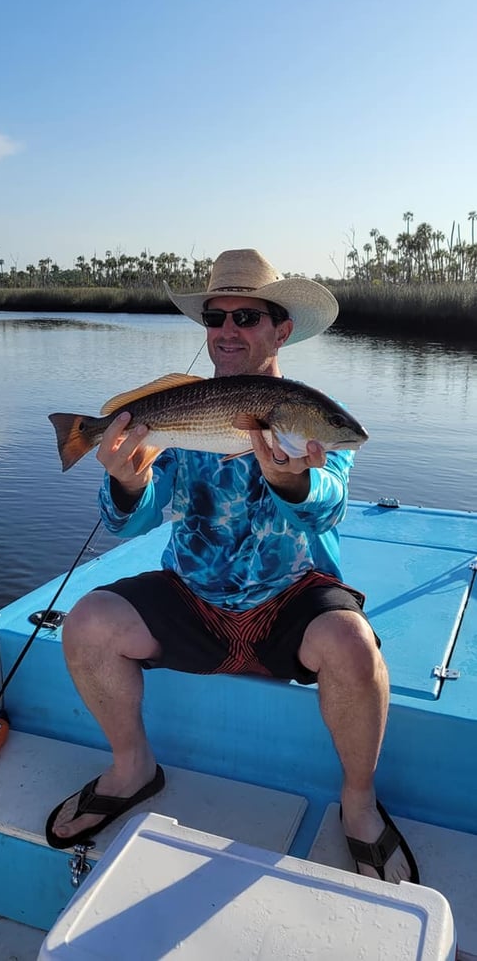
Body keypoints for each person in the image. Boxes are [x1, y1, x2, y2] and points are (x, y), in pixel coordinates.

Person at [45, 248, 419, 885]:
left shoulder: (310, 412)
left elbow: (328, 507)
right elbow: (130, 520)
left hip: (290, 600)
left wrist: (293, 485)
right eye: (216, 318)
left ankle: (358, 803)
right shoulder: (182, 408)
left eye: (247, 316)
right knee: (85, 624)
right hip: (192, 597)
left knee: (355, 645)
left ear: (282, 330)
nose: (227, 330)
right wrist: (128, 483)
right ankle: (133, 767)